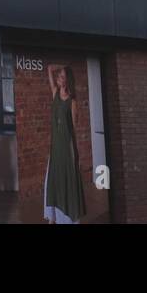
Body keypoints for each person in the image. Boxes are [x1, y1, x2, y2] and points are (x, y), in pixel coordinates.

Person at [43, 64, 86, 224]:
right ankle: (52, 219)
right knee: (51, 183)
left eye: (62, 77)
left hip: (67, 150)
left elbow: (73, 131)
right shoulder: (54, 92)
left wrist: (76, 154)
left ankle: (66, 219)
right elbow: (49, 69)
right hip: (55, 148)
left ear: (68, 80)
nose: (59, 79)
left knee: (65, 184)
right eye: (59, 76)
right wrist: (61, 66)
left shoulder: (72, 101)